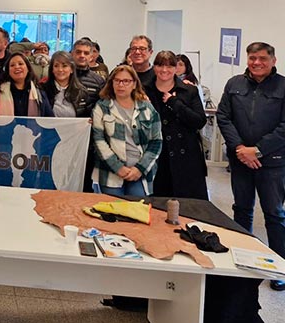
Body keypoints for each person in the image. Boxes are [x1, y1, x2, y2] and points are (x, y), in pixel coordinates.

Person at [217, 41, 285, 291]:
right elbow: (224, 117)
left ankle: (279, 267)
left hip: (273, 163)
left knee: (274, 215)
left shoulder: (283, 86)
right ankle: (244, 261)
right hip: (240, 161)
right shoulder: (234, 84)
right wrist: (239, 149)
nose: (257, 63)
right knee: (242, 211)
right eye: (253, 58)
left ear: (273, 61)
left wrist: (257, 150)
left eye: (263, 59)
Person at [92, 65, 162, 197]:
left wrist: (139, 169)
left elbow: (156, 142)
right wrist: (117, 167)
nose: (121, 85)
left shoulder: (147, 108)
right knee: (112, 207)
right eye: (117, 80)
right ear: (111, 83)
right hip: (110, 172)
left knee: (137, 206)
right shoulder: (102, 107)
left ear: (134, 84)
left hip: (139, 171)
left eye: (126, 81)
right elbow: (98, 141)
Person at [146, 51, 208, 200]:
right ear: (154, 67)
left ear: (175, 68)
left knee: (189, 203)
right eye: (160, 65)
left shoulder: (189, 90)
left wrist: (175, 103)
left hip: (185, 154)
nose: (164, 70)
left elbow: (199, 121)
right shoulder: (144, 90)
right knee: (158, 203)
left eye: (169, 66)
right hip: (156, 153)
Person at [72, 38, 106, 191]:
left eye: (86, 53)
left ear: (92, 56)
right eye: (78, 52)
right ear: (72, 53)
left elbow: (102, 107)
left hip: (87, 139)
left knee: (85, 179)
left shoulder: (99, 81)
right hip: (63, 135)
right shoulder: (63, 76)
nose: (82, 56)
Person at [0, 51, 53, 117]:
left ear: (28, 68)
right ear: (8, 71)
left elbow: (49, 119)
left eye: (20, 64)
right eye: (12, 65)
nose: (17, 67)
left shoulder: (39, 93)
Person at [42, 51, 90, 118]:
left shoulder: (81, 91)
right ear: (52, 69)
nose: (60, 69)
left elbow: (85, 116)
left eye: (64, 66)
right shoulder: (43, 90)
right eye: (56, 66)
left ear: (72, 69)